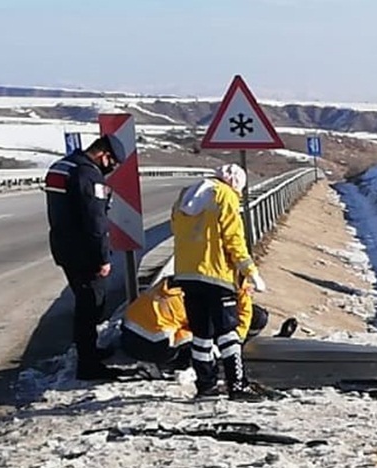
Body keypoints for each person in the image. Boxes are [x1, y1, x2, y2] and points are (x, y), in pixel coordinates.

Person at [171, 164, 267, 400]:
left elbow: (177, 228)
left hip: (187, 274)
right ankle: (237, 385)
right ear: (236, 184)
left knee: (201, 334)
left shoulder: (187, 193)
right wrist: (250, 270)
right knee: (227, 332)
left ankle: (206, 385)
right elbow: (234, 237)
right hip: (217, 274)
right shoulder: (226, 196)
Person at [44, 134, 127, 381]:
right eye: (111, 163)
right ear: (103, 154)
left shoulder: (63, 166)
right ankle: (88, 365)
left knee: (86, 305)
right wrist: (102, 257)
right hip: (84, 253)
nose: (111, 169)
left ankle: (90, 353)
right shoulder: (87, 175)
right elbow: (95, 222)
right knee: (90, 306)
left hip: (64, 247)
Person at [118, 274, 276, 371]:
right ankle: (175, 365)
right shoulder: (201, 297)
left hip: (128, 335)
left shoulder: (183, 280)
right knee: (203, 336)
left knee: (204, 329)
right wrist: (232, 346)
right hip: (153, 345)